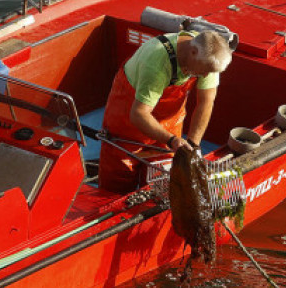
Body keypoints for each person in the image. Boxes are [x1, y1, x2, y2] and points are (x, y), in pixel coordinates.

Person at [98, 28, 233, 193]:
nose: (206, 76)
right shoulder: (156, 62)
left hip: (169, 123)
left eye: (210, 72)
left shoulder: (208, 61)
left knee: (163, 178)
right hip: (128, 119)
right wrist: (171, 140)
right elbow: (138, 114)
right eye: (205, 70)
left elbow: (206, 102)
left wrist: (193, 144)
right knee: (119, 177)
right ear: (192, 51)